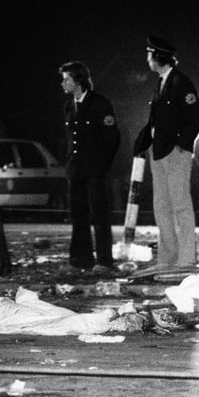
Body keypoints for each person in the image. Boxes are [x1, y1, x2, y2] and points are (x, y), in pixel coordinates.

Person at [133, 37, 199, 269]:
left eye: (149, 54)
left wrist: (182, 145)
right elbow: (158, 119)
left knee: (181, 206)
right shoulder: (161, 83)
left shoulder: (181, 83)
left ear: (158, 57)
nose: (147, 59)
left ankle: (186, 259)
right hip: (159, 151)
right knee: (161, 206)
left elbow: (196, 118)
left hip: (175, 153)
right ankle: (167, 258)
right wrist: (144, 140)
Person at [59, 61, 121, 273]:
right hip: (75, 169)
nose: (63, 84)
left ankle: (104, 261)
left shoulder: (99, 104)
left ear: (79, 82)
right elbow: (70, 139)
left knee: (99, 215)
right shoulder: (69, 106)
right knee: (78, 215)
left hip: (95, 169)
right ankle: (80, 259)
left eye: (67, 79)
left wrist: (102, 165)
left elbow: (112, 138)